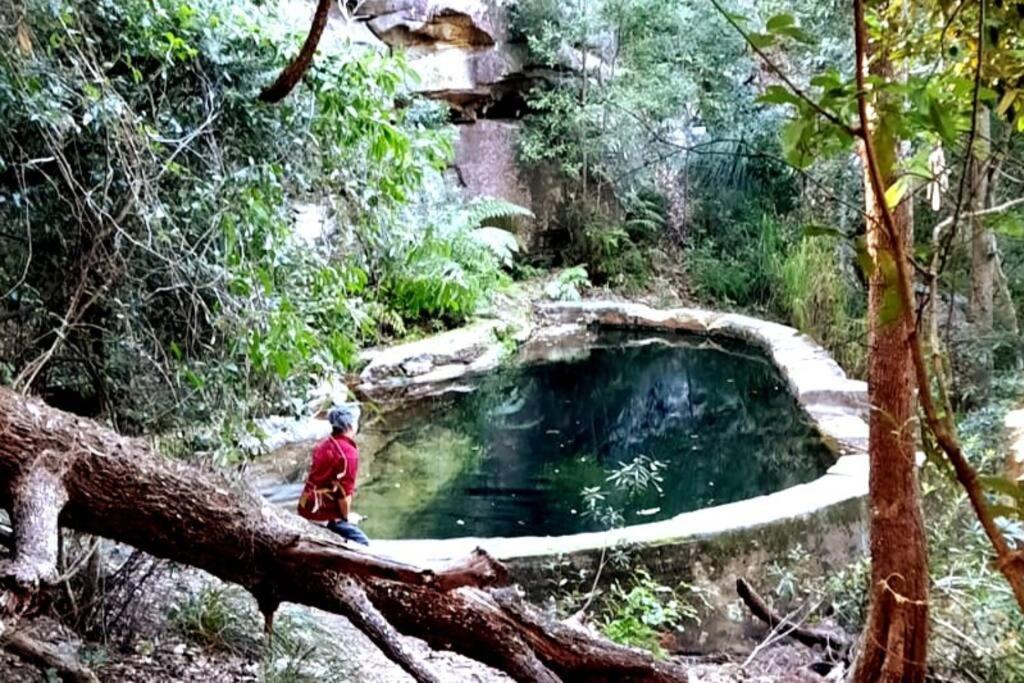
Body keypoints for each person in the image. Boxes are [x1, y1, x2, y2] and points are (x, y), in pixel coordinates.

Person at [297, 403, 369, 546]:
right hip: (320, 514)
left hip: (305, 506)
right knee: (363, 544)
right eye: (356, 421)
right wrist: (345, 517)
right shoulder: (348, 454)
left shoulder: (324, 444)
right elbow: (343, 496)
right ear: (349, 425)